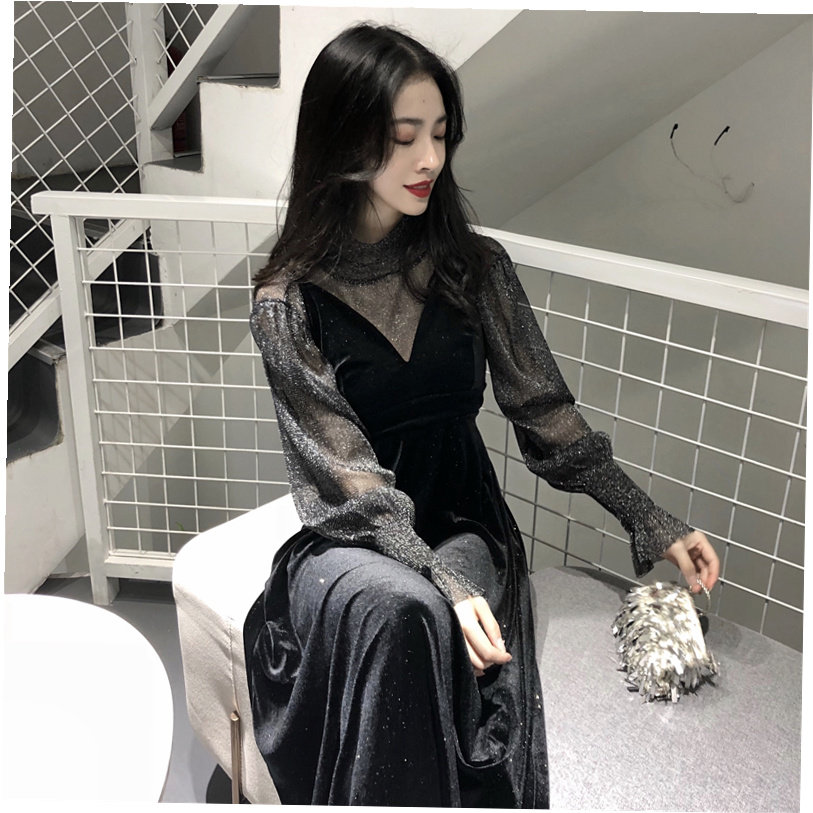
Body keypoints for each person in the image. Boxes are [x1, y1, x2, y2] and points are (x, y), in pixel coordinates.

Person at [243, 22, 720, 808]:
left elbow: (546, 416)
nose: (429, 159)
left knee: (430, 615)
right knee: (402, 606)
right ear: (342, 140)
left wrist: (649, 517)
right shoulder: (287, 302)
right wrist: (427, 572)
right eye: (403, 137)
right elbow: (348, 475)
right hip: (353, 536)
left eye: (439, 134)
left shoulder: (475, 267)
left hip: (463, 521)